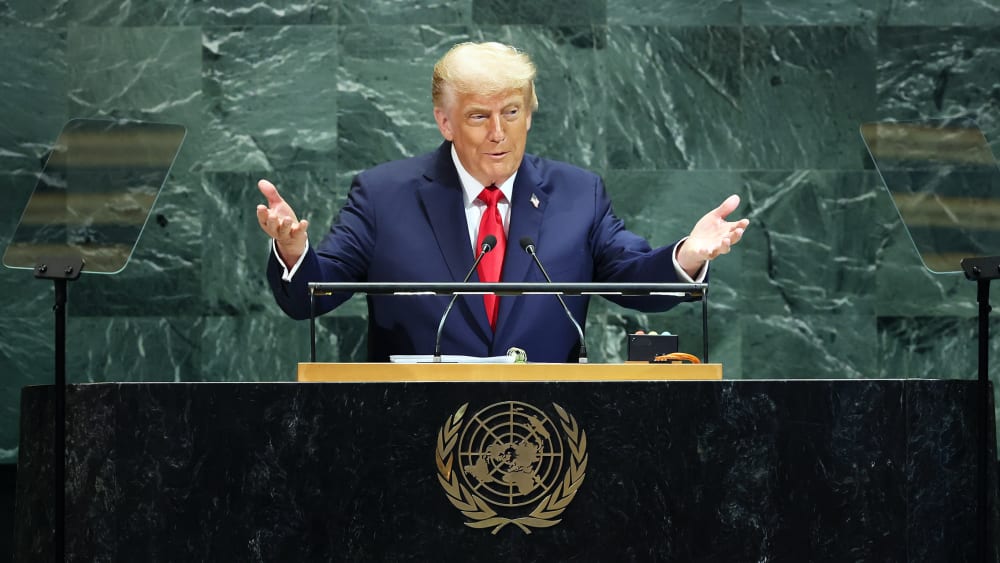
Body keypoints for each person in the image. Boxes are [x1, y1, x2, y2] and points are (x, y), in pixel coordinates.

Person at [257, 41, 748, 363]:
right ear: (445, 122)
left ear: (529, 114)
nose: (498, 132)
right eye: (478, 116)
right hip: (409, 433)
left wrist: (687, 257)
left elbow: (635, 282)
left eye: (511, 112)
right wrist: (294, 254)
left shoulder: (579, 195)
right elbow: (311, 296)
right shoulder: (383, 195)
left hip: (549, 437)